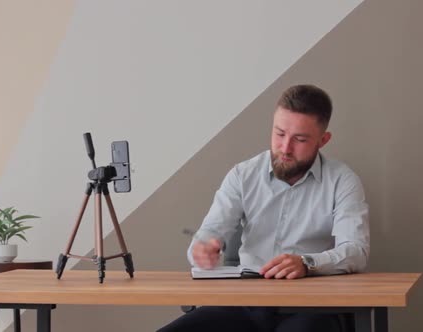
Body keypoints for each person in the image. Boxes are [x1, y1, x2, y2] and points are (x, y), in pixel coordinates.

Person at [158, 84, 370, 332]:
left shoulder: (343, 181)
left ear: (323, 140)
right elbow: (209, 233)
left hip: (310, 307)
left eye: (300, 139)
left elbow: (356, 251)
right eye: (279, 134)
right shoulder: (242, 175)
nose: (285, 148)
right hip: (243, 303)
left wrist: (307, 263)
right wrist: (201, 250)